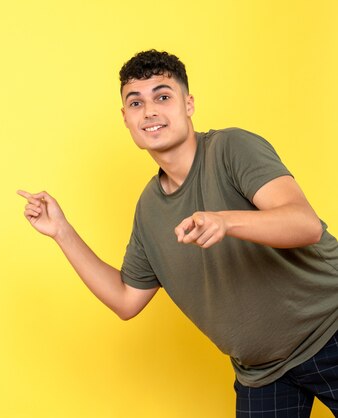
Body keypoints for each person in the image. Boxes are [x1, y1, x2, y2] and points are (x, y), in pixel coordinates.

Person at [17, 50, 338, 417]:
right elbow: (126, 300)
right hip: (262, 372)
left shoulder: (231, 148)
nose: (149, 111)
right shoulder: (149, 210)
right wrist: (62, 231)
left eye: (163, 96)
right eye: (135, 102)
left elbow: (305, 224)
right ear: (125, 118)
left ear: (189, 104)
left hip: (331, 333)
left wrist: (225, 221)